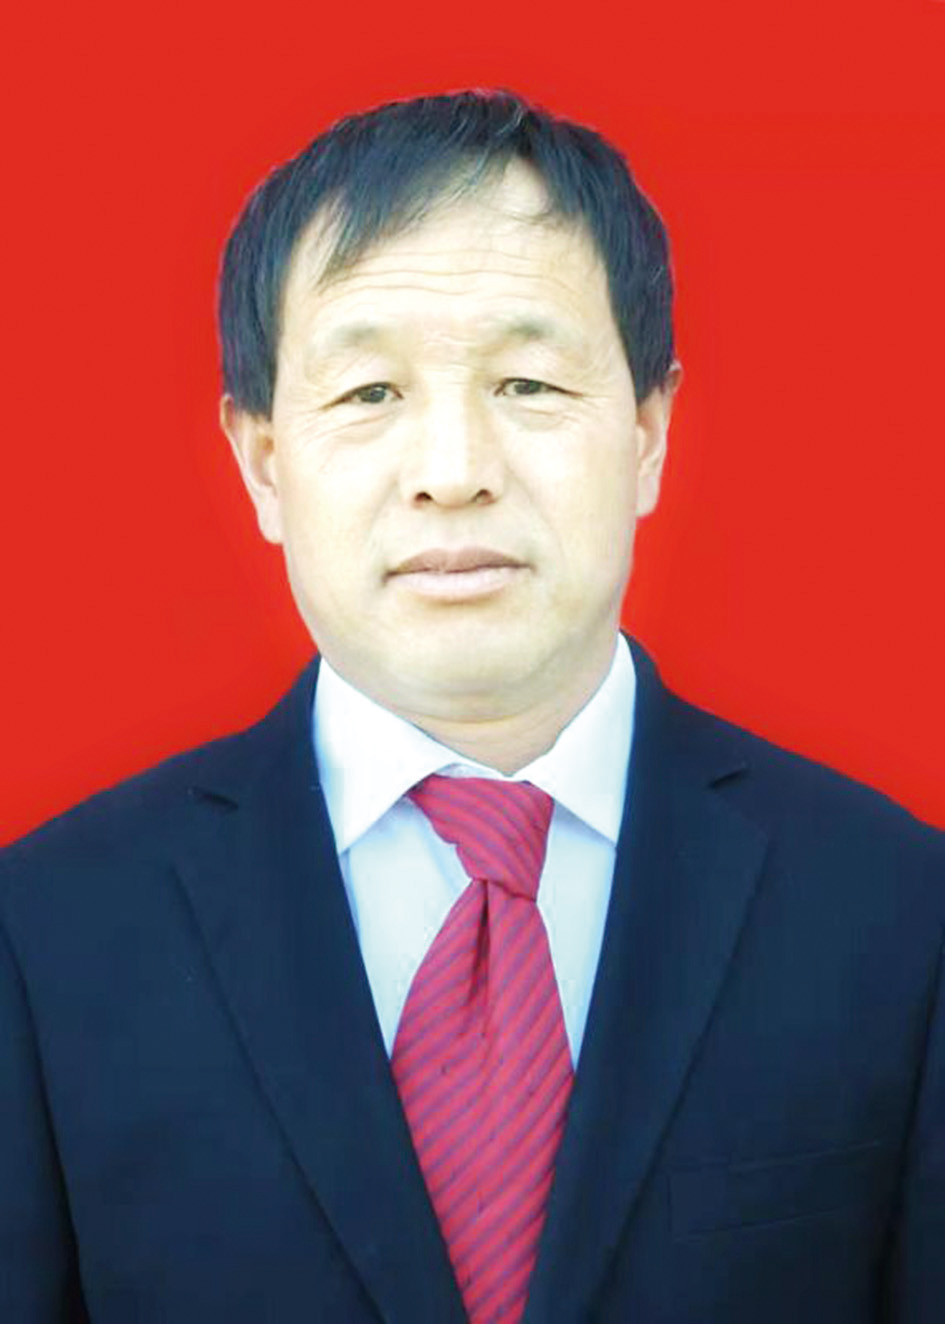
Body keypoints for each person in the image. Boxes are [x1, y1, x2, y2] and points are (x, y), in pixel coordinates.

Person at [0, 90, 942, 1324]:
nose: (453, 473)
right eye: (369, 393)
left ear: (648, 435)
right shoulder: (47, 935)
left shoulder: (899, 913)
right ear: (265, 462)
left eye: (528, 382)